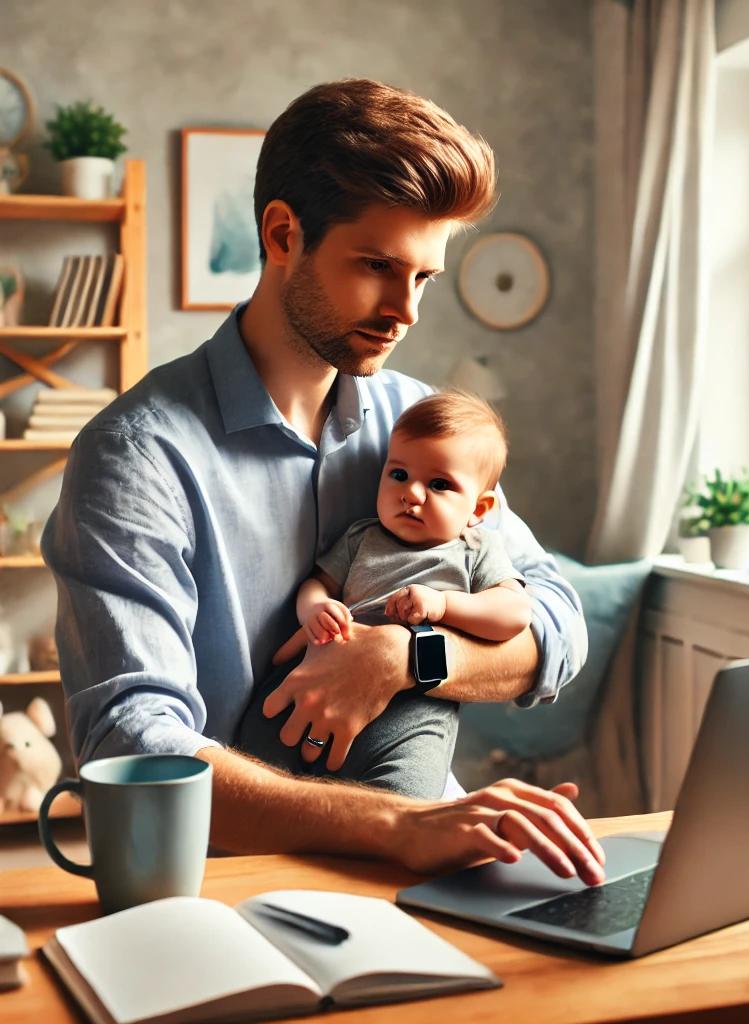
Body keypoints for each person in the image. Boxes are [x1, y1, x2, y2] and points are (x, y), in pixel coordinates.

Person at [42, 79, 605, 885]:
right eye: (378, 266)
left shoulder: (419, 422)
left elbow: (556, 623)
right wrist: (394, 824)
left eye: (423, 279)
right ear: (282, 234)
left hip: (425, 858)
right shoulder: (135, 456)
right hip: (230, 885)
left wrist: (404, 657)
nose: (405, 311)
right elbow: (136, 740)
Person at [238, 389, 531, 799]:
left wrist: (444, 604)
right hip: (314, 674)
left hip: (413, 708)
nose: (411, 493)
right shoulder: (363, 537)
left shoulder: (475, 549)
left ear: (479, 509)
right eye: (398, 475)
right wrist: (316, 608)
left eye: (440, 484)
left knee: (405, 805)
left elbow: (514, 612)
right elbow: (318, 584)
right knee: (255, 764)